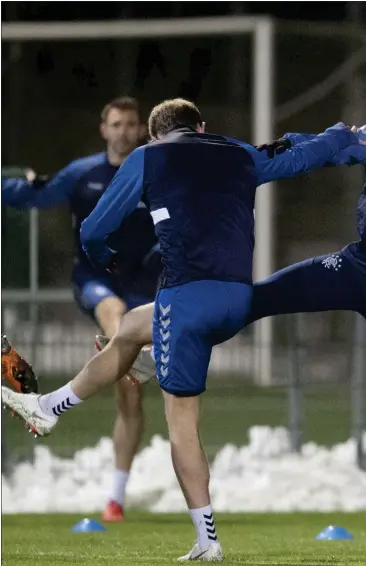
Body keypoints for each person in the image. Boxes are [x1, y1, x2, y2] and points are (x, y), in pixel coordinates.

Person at [3, 100, 366, 562]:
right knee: (133, 325)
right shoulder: (237, 152)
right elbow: (303, 156)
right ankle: (53, 405)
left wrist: (106, 258)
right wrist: (344, 136)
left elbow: (94, 229)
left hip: (187, 305)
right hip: (238, 303)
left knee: (182, 426)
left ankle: (207, 541)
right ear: (201, 127)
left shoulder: (149, 157)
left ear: (154, 135)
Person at [1, 96, 161, 522]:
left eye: (132, 124)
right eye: (117, 124)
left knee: (130, 394)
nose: (125, 131)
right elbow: (33, 194)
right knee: (115, 314)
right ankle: (127, 351)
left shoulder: (156, 169)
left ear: (142, 129)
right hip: (96, 281)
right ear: (104, 129)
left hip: (146, 286)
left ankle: (116, 497)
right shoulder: (83, 173)